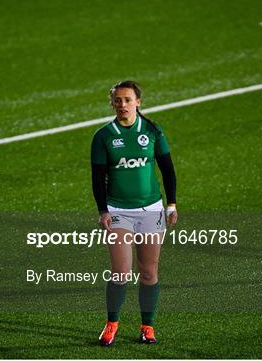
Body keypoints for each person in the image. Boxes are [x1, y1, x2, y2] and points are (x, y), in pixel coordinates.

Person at [91, 80, 178, 345]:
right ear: (112, 104)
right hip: (119, 210)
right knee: (120, 272)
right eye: (117, 100)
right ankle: (112, 323)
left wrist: (171, 204)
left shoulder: (152, 130)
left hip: (152, 209)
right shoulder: (103, 136)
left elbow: (167, 169)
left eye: (127, 100)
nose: (122, 105)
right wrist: (103, 210)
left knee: (149, 272)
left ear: (138, 102)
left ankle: (147, 326)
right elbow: (97, 177)